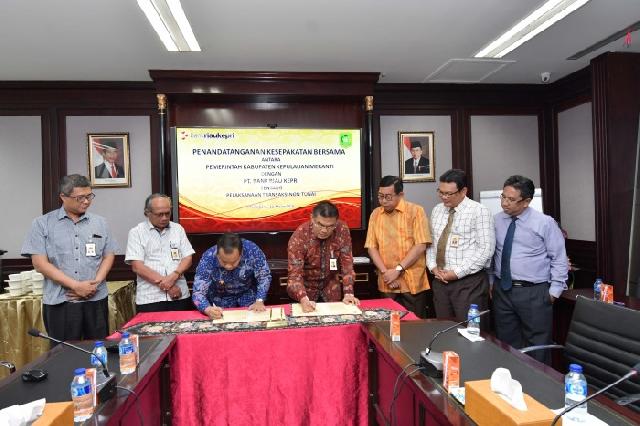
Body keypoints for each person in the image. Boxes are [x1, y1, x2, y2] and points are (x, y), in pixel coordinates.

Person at [21, 174, 118, 343]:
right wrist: (76, 286)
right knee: (64, 352)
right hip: (61, 301)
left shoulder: (101, 223)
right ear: (63, 197)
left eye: (89, 196)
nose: (86, 201)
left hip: (95, 299)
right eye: (80, 198)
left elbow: (108, 255)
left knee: (98, 349)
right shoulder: (42, 224)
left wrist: (94, 285)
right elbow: (40, 264)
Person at [491, 175, 568, 363]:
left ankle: (539, 382)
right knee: (506, 343)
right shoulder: (496, 220)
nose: (504, 203)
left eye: (511, 199)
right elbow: (493, 255)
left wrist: (554, 292)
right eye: (503, 197)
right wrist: (491, 282)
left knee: (537, 346)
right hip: (503, 290)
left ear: (526, 201)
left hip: (534, 292)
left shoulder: (544, 222)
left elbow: (559, 258)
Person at [427, 169, 495, 322]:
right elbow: (432, 243)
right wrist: (433, 267)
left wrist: (456, 273)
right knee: (444, 328)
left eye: (449, 194)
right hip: (440, 282)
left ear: (463, 191)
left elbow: (486, 249)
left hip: (468, 283)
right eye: (441, 192)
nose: (444, 197)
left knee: (469, 330)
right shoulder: (437, 210)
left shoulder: (479, 211)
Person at [365, 176, 431, 318]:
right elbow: (371, 247)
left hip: (412, 282)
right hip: (387, 282)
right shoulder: (375, 214)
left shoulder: (416, 211)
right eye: (380, 196)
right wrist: (386, 273)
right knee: (388, 325)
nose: (383, 201)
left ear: (400, 195)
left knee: (415, 324)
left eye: (388, 197)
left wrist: (397, 270)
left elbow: (421, 245)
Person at [125, 194, 195, 312]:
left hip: (179, 295)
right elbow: (137, 267)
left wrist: (174, 276)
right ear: (147, 213)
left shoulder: (178, 229)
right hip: (150, 298)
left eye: (167, 213)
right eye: (159, 214)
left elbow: (188, 258)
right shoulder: (136, 232)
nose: (164, 218)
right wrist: (169, 285)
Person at [287, 201, 360, 312]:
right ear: (312, 218)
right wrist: (303, 298)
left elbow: (347, 264)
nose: (324, 230)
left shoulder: (341, 229)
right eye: (320, 224)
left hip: (331, 286)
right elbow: (294, 274)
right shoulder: (300, 236)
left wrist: (349, 292)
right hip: (305, 290)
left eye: (330, 226)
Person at [192, 233, 271, 319]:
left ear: (241, 254)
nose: (228, 266)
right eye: (224, 262)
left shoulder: (251, 250)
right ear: (217, 255)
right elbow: (198, 292)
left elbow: (264, 276)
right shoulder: (209, 257)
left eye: (233, 262)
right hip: (220, 301)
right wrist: (207, 309)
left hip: (249, 298)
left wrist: (259, 300)